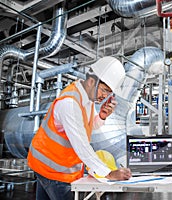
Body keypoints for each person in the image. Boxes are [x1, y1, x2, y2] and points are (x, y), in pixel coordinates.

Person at [27, 56, 132, 200]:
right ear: (91, 81)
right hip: (55, 171)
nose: (105, 96)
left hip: (47, 165)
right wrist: (108, 173)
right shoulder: (70, 103)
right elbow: (81, 144)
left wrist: (101, 116)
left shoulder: (87, 99)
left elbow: (88, 127)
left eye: (109, 93)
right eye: (104, 90)